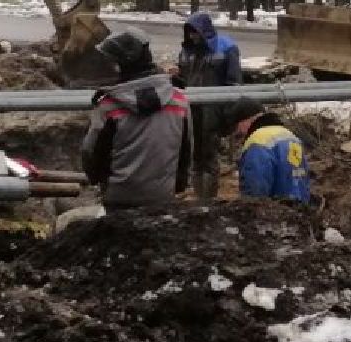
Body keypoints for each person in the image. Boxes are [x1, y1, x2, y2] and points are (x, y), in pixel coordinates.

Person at [80, 27, 191, 208]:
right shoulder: (178, 100)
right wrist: (178, 184)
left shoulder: (109, 106)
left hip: (119, 196)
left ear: (122, 63)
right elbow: (186, 149)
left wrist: (98, 181)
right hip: (163, 195)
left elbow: (90, 152)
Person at [177, 12, 242, 198]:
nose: (192, 36)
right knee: (195, 154)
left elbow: (234, 83)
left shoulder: (226, 48)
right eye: (190, 33)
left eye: (195, 32)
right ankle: (200, 195)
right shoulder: (187, 51)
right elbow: (182, 78)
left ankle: (209, 198)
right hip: (191, 109)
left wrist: (229, 116)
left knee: (209, 155)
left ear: (204, 31)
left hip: (213, 109)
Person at [225, 98, 313, 204]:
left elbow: (255, 190)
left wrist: (249, 211)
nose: (239, 132)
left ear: (246, 120)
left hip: (275, 214)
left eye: (237, 126)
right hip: (300, 212)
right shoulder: (290, 136)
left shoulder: (257, 141)